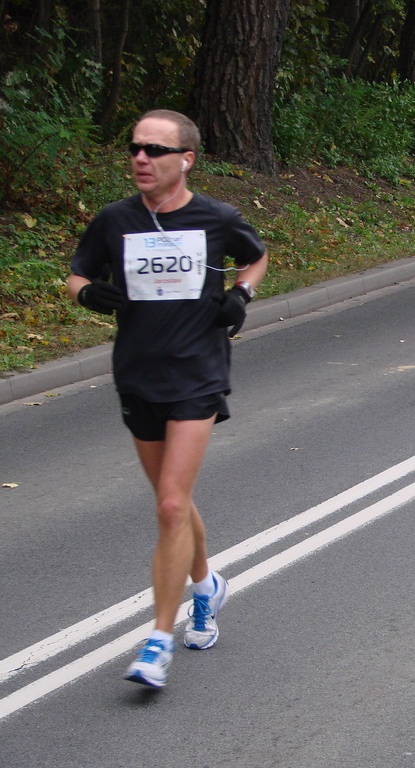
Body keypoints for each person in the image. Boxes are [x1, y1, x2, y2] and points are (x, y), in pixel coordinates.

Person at [67, 109, 269, 689]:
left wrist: (242, 294)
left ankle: (157, 642)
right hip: (138, 373)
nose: (141, 158)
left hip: (198, 372)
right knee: (171, 500)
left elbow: (255, 256)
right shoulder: (115, 221)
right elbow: (76, 275)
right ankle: (207, 587)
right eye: (135, 148)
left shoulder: (216, 217)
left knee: (171, 508)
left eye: (155, 150)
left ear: (186, 160)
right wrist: (89, 296)